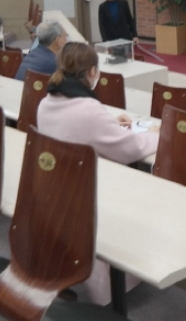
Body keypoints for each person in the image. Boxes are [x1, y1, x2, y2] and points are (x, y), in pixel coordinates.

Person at [37, 42, 160, 304]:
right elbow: (131, 149)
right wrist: (156, 136)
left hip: (56, 192)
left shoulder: (47, 101)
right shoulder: (88, 109)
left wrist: (108, 125)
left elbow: (78, 130)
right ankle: (115, 287)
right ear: (92, 71)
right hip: (87, 196)